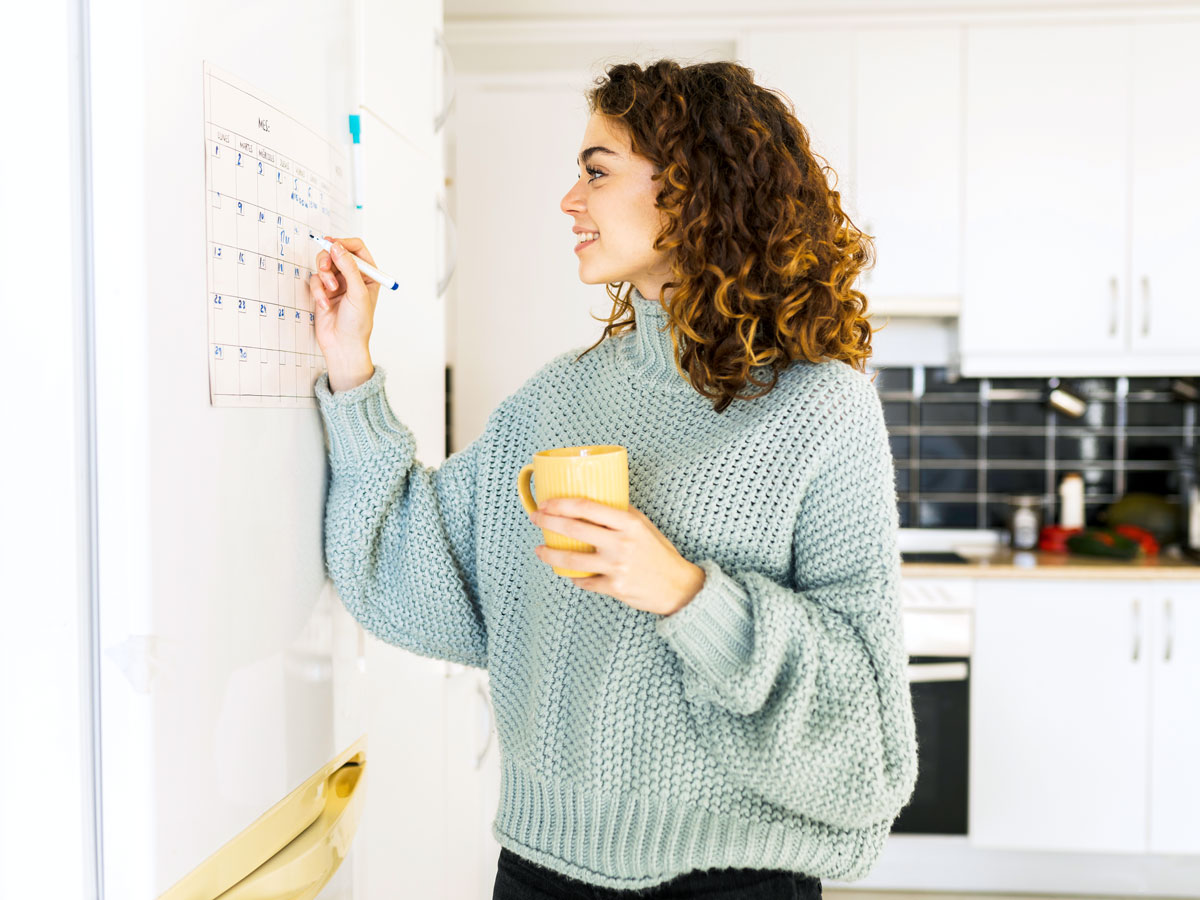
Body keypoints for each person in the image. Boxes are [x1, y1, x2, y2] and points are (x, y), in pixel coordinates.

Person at [309, 58, 916, 900]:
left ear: (696, 188)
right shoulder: (558, 398)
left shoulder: (821, 410)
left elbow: (868, 742)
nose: (570, 200)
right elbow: (407, 569)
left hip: (730, 882)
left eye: (597, 171)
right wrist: (351, 369)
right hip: (539, 872)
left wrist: (687, 594)